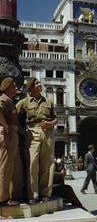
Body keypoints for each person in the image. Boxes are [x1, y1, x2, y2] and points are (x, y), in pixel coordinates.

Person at [16, 77, 57, 204]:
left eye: (40, 82)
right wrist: (23, 131)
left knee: (47, 163)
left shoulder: (48, 101)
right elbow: (14, 117)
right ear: (31, 88)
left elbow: (56, 119)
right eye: (37, 83)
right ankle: (33, 195)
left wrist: (50, 124)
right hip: (32, 132)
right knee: (32, 163)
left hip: (48, 132)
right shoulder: (24, 102)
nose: (40, 84)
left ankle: (45, 193)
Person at [0, 77, 24, 206]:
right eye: (14, 86)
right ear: (8, 87)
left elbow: (16, 123)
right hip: (8, 136)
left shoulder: (10, 101)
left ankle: (14, 195)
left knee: (15, 167)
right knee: (6, 167)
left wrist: (25, 133)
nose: (16, 88)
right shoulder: (3, 99)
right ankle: (3, 198)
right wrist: (5, 125)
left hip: (14, 135)